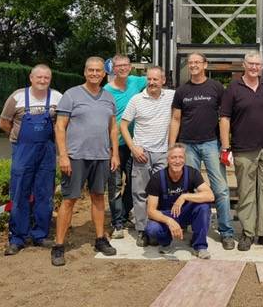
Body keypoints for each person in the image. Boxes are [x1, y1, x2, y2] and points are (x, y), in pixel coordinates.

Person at [51, 57, 120, 266]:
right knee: (70, 199)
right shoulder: (71, 95)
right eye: (91, 70)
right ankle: (59, 246)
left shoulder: (109, 97)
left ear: (104, 73)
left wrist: (114, 153)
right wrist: (63, 155)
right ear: (85, 72)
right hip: (76, 156)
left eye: (98, 71)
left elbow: (113, 128)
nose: (95, 74)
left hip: (100, 156)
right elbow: (60, 126)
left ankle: (100, 239)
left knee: (98, 197)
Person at [219, 51, 263, 252]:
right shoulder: (233, 88)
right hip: (243, 148)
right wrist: (225, 147)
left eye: (258, 64)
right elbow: (225, 118)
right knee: (246, 191)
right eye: (251, 64)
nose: (254, 67)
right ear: (244, 65)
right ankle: (248, 233)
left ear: (262, 66)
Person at [168, 52, 234, 250]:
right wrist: (172, 147)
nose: (194, 65)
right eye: (191, 63)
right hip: (188, 145)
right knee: (187, 189)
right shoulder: (182, 91)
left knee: (220, 189)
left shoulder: (216, 88)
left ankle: (226, 232)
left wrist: (225, 145)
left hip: (211, 144)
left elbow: (225, 117)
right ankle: (192, 229)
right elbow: (176, 119)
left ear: (205, 65)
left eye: (198, 62)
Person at [0, 64, 62, 255]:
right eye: (39, 77)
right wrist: (17, 138)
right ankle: (17, 238)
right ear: (31, 78)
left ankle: (40, 235)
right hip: (22, 152)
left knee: (44, 194)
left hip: (47, 152)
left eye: (46, 78)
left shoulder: (57, 98)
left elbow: (61, 125)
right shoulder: (17, 97)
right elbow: (3, 122)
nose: (42, 81)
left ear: (50, 79)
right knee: (19, 194)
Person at [120, 66, 175, 247]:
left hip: (162, 154)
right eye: (149, 79)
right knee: (140, 193)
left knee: (163, 193)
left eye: (155, 80)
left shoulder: (171, 96)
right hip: (141, 154)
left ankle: (160, 227)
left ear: (163, 81)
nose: (152, 83)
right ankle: (142, 230)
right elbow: (123, 125)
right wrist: (133, 148)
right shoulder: (136, 100)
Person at [145, 143, 215, 259]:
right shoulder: (157, 178)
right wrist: (169, 221)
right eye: (173, 158)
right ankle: (165, 242)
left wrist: (184, 197)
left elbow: (210, 196)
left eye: (180, 157)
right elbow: (151, 211)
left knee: (204, 207)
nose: (177, 161)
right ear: (168, 160)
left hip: (186, 213)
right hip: (167, 214)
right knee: (152, 228)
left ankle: (200, 246)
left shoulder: (192, 173)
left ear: (185, 159)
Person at [104, 55, 147, 239]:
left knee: (134, 182)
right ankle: (118, 223)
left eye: (125, 65)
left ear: (130, 67)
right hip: (114, 144)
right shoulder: (106, 91)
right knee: (115, 183)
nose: (122, 69)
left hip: (134, 143)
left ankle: (122, 213)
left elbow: (157, 78)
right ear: (113, 68)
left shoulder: (137, 82)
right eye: (118, 66)